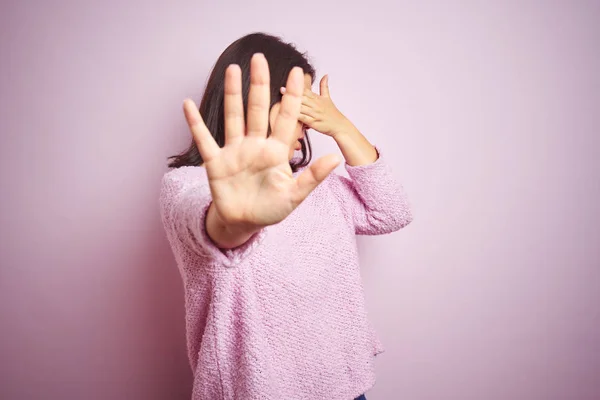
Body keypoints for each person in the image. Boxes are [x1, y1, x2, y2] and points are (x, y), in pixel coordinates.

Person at [160, 32, 413, 400]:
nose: (308, 122)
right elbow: (216, 228)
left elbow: (391, 212)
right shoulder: (187, 187)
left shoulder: (317, 187)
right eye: (298, 105)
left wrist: (342, 126)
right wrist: (240, 220)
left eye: (312, 107)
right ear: (255, 100)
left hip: (342, 388)